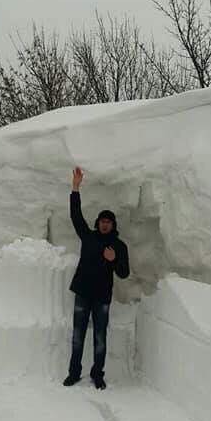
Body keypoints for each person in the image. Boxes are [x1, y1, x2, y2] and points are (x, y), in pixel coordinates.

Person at [63, 167, 130, 389]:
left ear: (113, 225)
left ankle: (97, 374)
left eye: (108, 222)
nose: (104, 224)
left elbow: (124, 273)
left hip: (102, 298)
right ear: (97, 223)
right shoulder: (88, 237)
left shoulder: (119, 246)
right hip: (82, 293)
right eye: (102, 220)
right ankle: (74, 372)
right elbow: (75, 215)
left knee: (100, 338)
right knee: (78, 336)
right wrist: (75, 188)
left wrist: (113, 259)